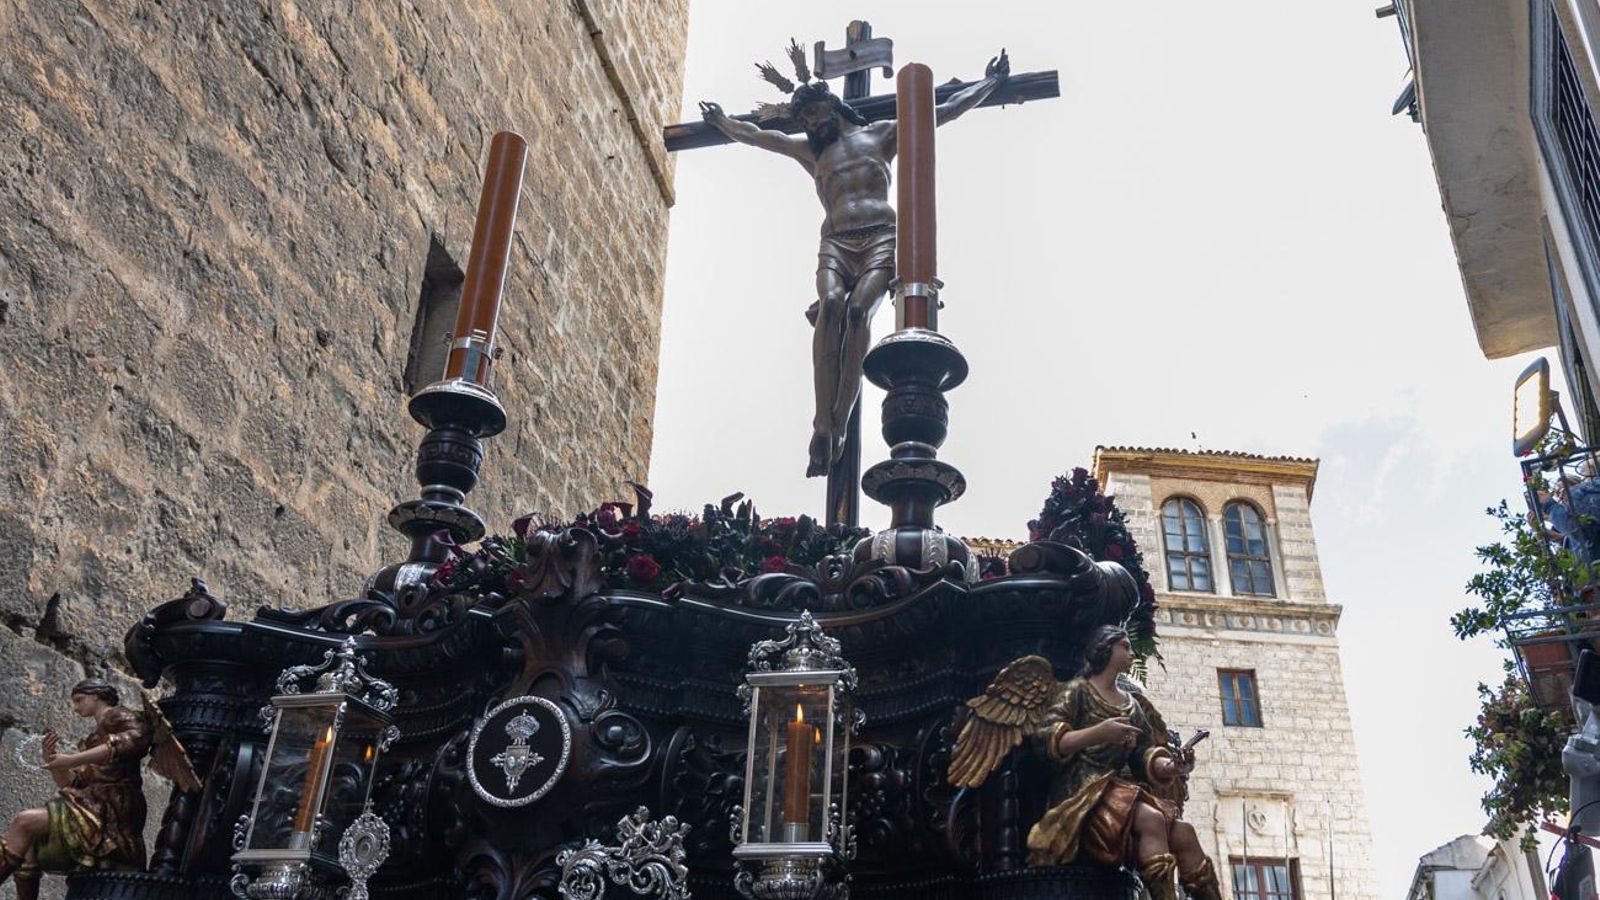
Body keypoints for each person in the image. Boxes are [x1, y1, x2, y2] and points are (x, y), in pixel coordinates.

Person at [698, 50, 1009, 477]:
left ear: (832, 105)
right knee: (830, 306)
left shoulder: (880, 135)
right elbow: (756, 136)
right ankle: (820, 421)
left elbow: (945, 112)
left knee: (858, 311)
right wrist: (721, 123)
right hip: (836, 243)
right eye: (803, 117)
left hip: (880, 238)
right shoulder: (811, 154)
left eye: (813, 112)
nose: (809, 122)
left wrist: (989, 84)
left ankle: (838, 423)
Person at [948, 627, 1219, 900]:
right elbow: (1046, 740)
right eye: (1124, 645)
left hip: (1120, 795)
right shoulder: (1077, 692)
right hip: (1081, 797)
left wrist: (1172, 766)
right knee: (1151, 819)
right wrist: (1099, 733)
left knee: (1184, 833)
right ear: (1105, 649)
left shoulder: (1131, 705)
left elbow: (1145, 754)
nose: (1131, 651)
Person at [0, 680, 153, 899]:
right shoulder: (94, 737)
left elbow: (133, 740)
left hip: (110, 808)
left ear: (97, 697)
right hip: (91, 803)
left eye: (79, 700)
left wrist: (71, 759)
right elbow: (73, 784)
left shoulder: (118, 716)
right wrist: (52, 760)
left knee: (24, 821)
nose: (75, 707)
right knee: (29, 844)